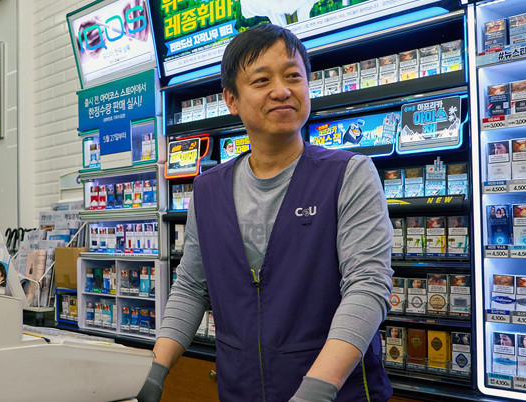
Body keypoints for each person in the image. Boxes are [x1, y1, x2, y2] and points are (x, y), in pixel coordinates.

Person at [139, 24, 394, 402]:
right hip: (240, 388)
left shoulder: (348, 174)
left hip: (337, 392)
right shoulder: (208, 190)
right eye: (262, 80)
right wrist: (154, 372)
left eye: (293, 76)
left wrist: (316, 390)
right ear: (232, 99)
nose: (282, 90)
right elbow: (191, 288)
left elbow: (367, 285)